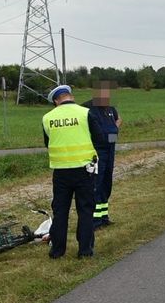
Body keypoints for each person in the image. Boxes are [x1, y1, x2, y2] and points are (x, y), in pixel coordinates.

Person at [43, 85, 103, 259]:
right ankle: (85, 251)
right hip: (84, 170)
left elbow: (48, 143)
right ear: (71, 96)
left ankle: (57, 251)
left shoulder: (47, 118)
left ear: (55, 101)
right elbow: (98, 138)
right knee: (85, 210)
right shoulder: (85, 113)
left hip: (60, 172)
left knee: (60, 211)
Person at [82, 81, 122, 229]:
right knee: (96, 185)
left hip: (110, 149)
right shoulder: (87, 109)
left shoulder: (110, 109)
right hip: (97, 151)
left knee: (106, 183)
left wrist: (115, 130)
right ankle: (94, 220)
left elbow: (116, 123)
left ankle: (104, 217)